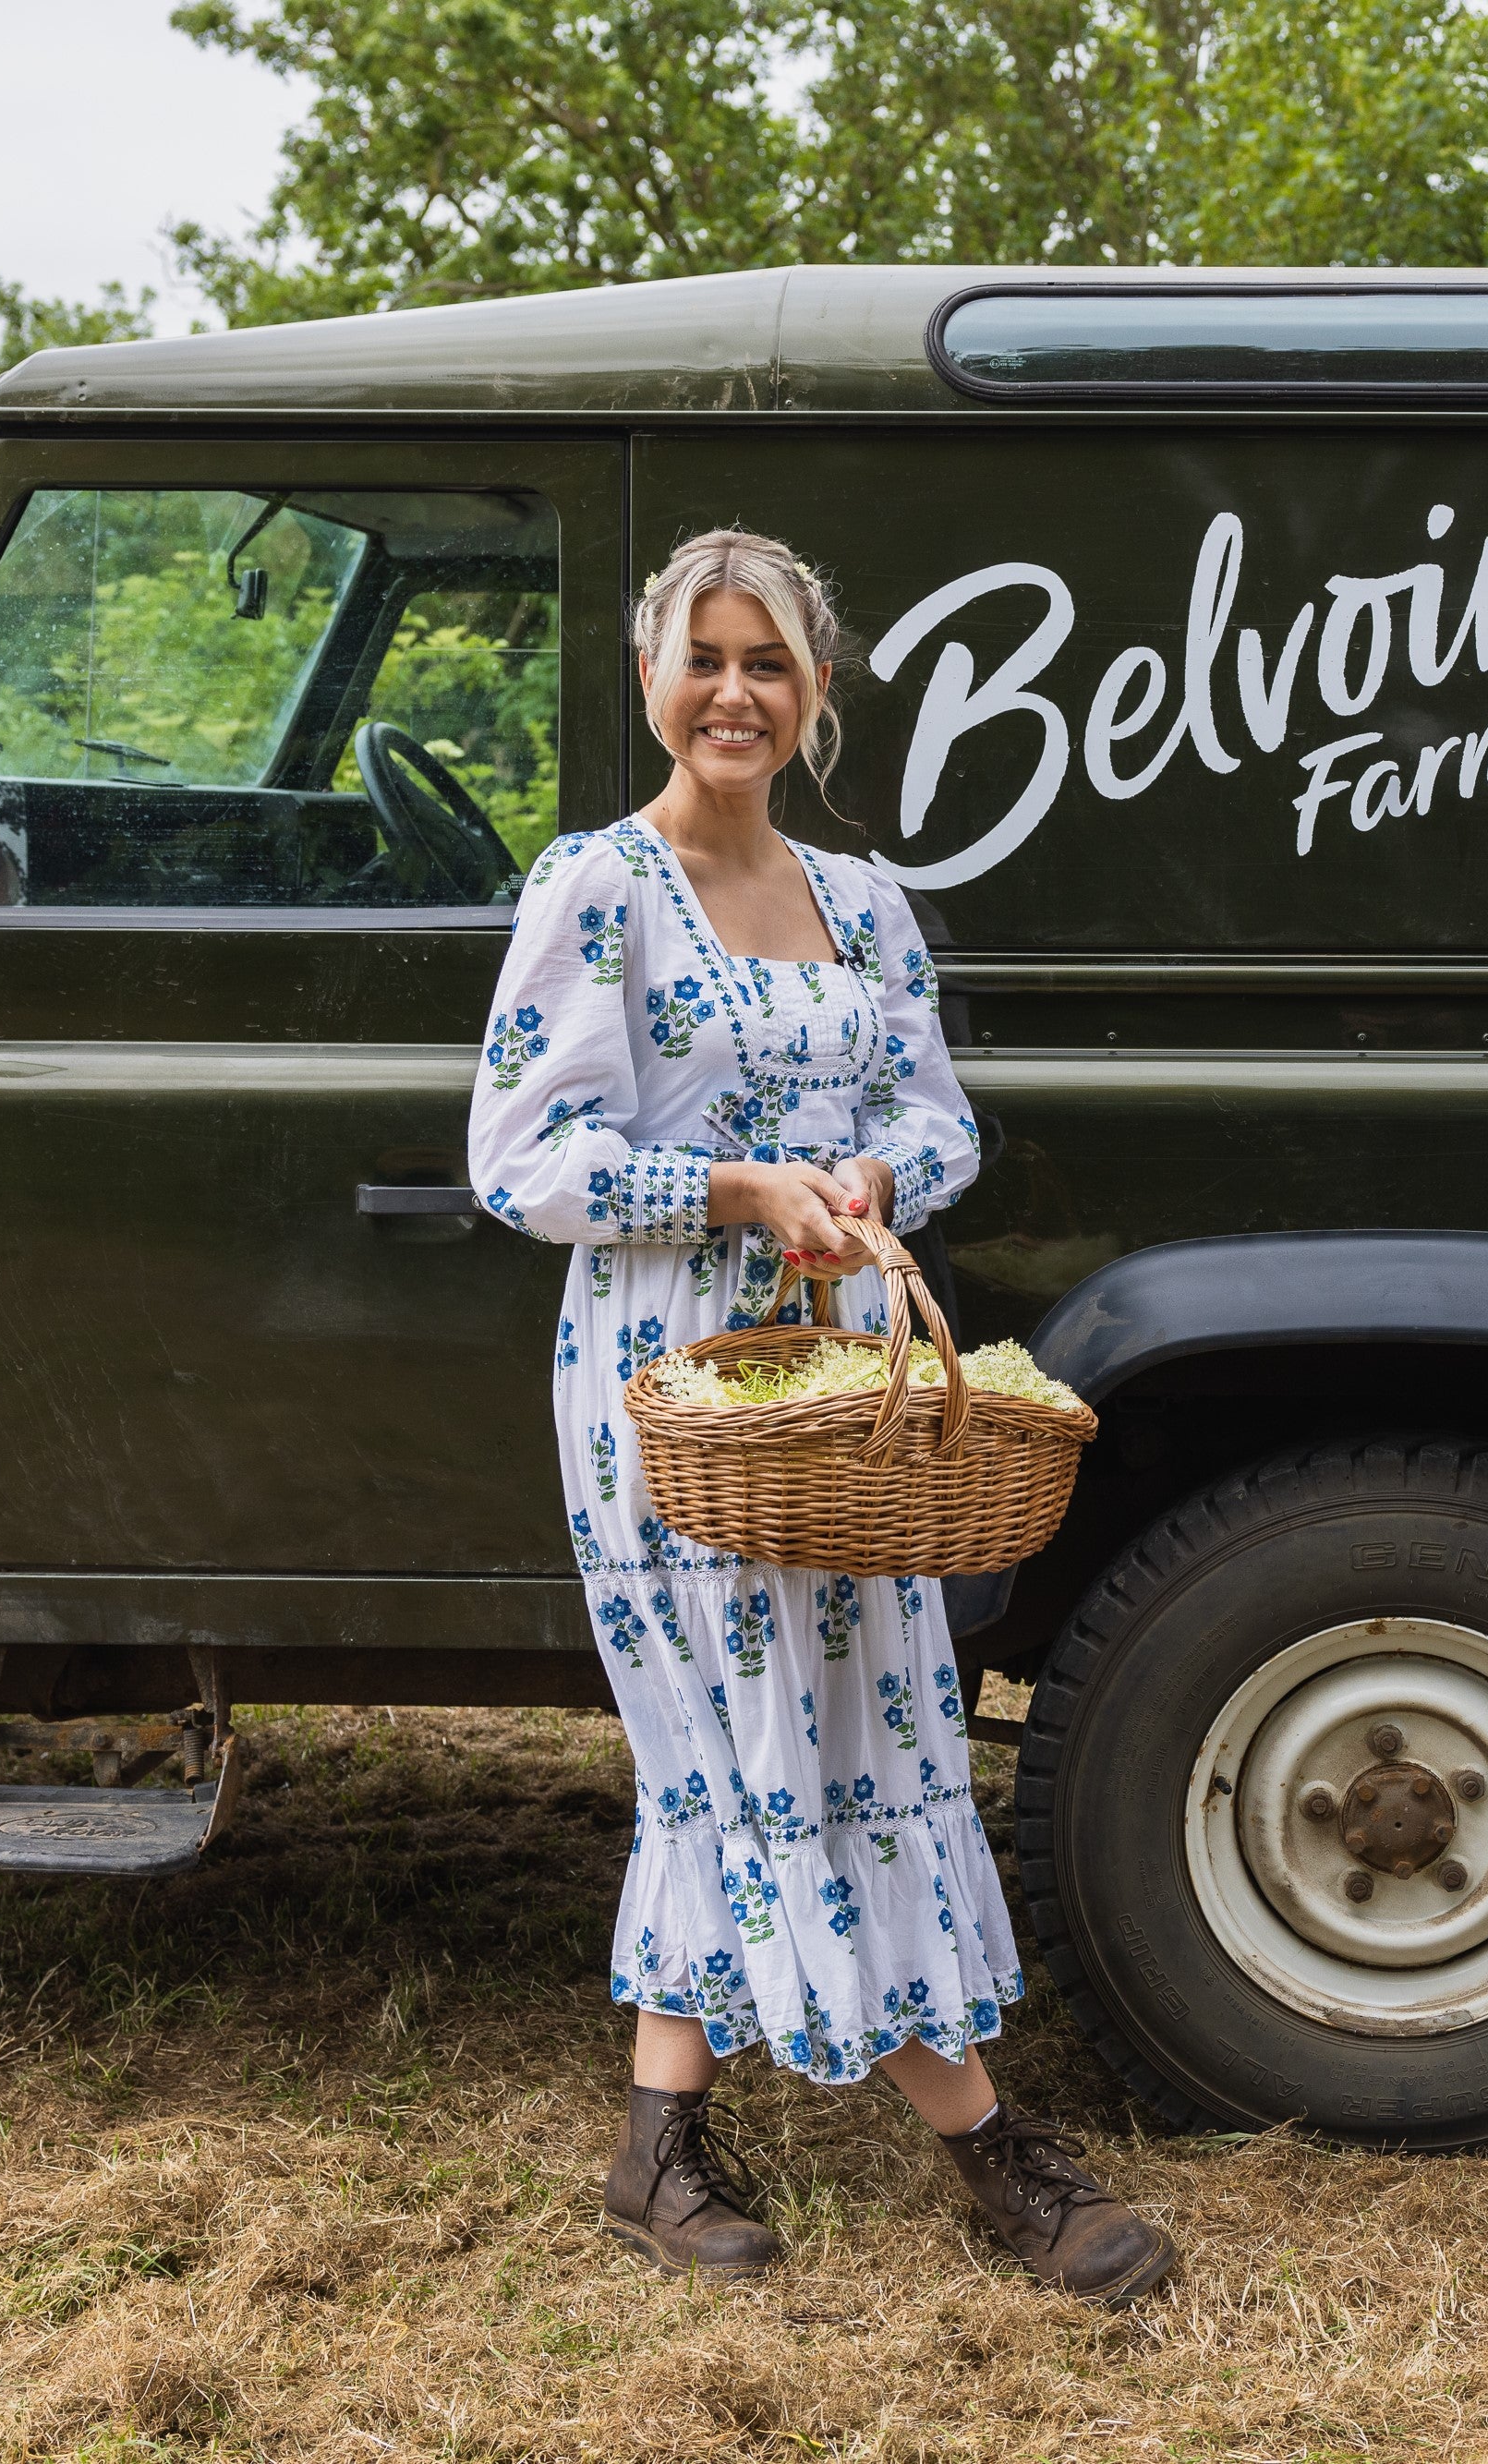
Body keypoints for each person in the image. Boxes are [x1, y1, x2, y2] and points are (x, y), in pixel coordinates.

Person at [468, 529, 1177, 2307]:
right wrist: (737, 1195)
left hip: (848, 1386)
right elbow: (521, 1159)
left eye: (767, 661)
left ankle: (654, 2148)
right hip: (671, 1383)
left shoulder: (867, 901)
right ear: (650, 680)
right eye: (702, 656)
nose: (732, 691)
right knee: (744, 1735)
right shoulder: (598, 888)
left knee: (852, 1726)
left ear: (815, 693)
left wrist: (866, 1169)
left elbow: (940, 1120)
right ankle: (981, 2141)